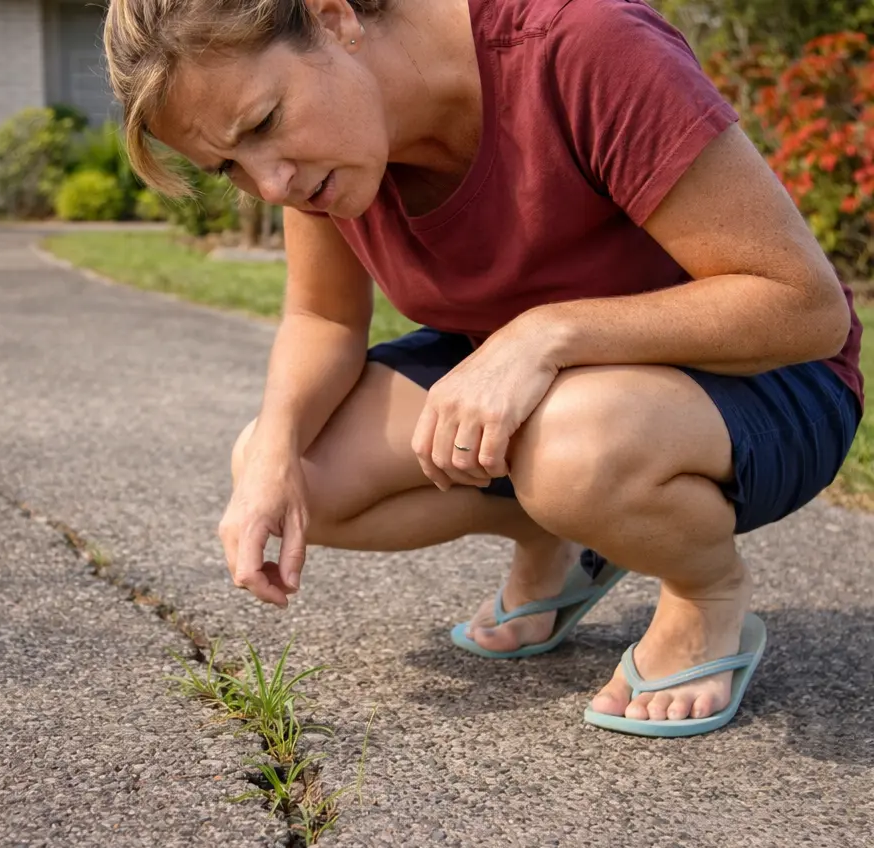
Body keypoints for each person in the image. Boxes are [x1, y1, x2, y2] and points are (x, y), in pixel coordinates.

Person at [104, 0, 864, 737]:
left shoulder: (581, 43)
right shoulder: (320, 157)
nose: (270, 184)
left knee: (574, 451)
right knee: (290, 468)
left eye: (264, 124)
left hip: (763, 381)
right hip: (543, 392)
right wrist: (272, 455)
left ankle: (706, 589)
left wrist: (546, 334)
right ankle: (570, 542)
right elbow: (323, 318)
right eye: (229, 167)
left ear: (334, 18)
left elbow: (804, 307)